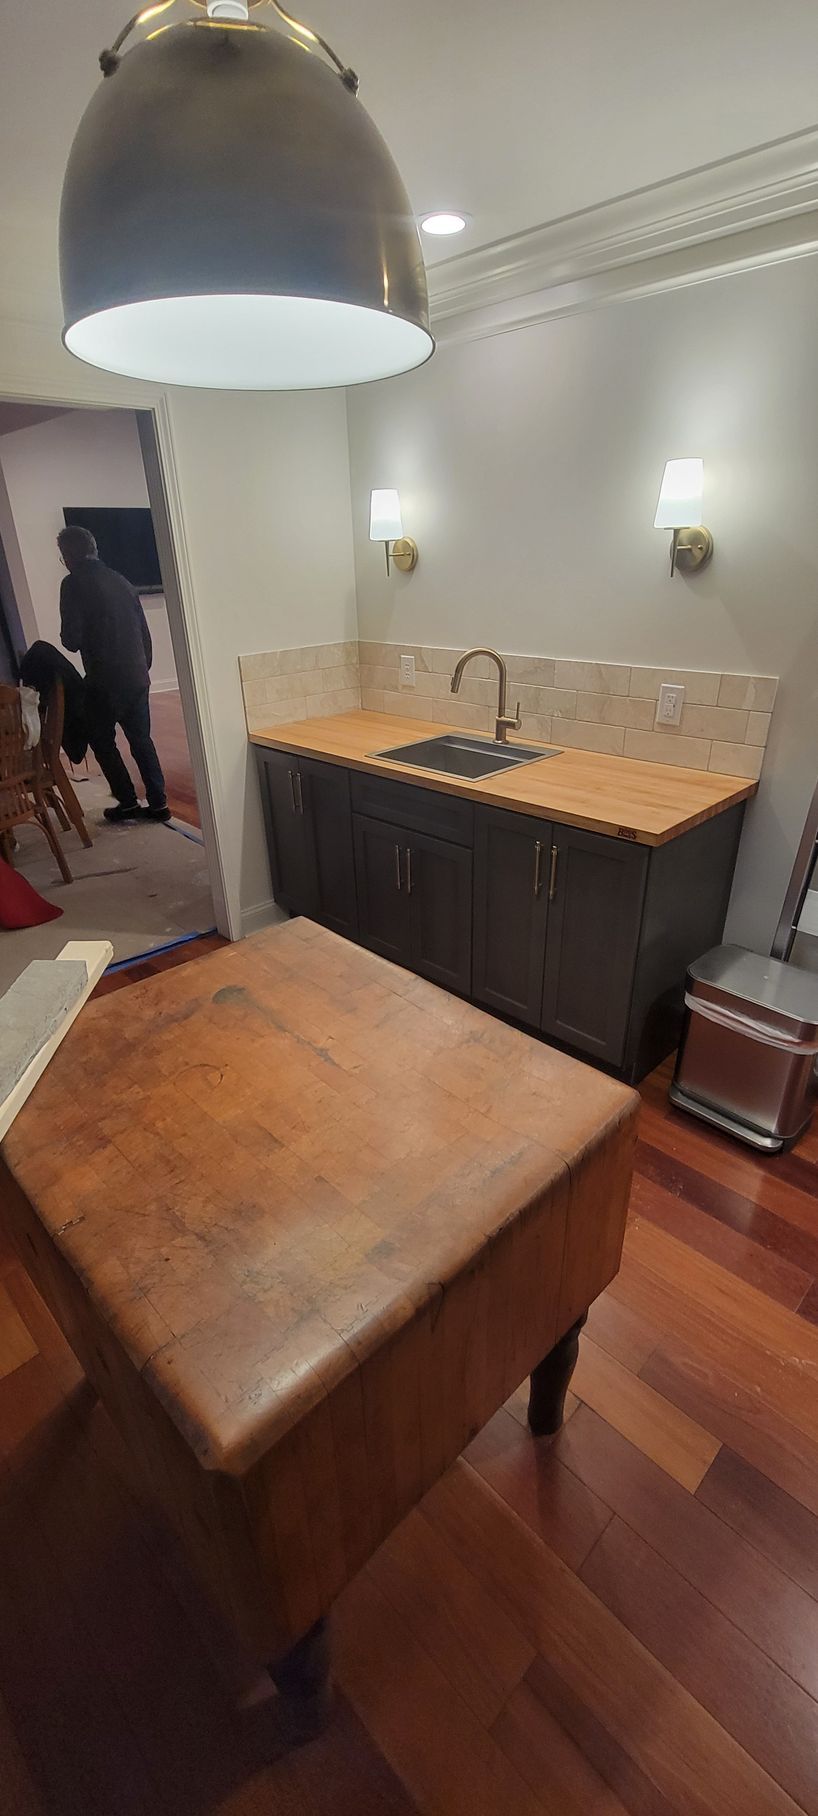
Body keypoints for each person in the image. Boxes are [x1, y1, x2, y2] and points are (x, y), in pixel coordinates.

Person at [57, 524, 170, 823]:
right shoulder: (121, 580)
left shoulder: (72, 583)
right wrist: (142, 667)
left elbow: (71, 639)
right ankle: (159, 804)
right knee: (141, 740)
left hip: (103, 680)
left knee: (102, 741)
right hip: (136, 675)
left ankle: (128, 801)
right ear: (94, 549)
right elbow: (144, 633)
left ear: (68, 555)